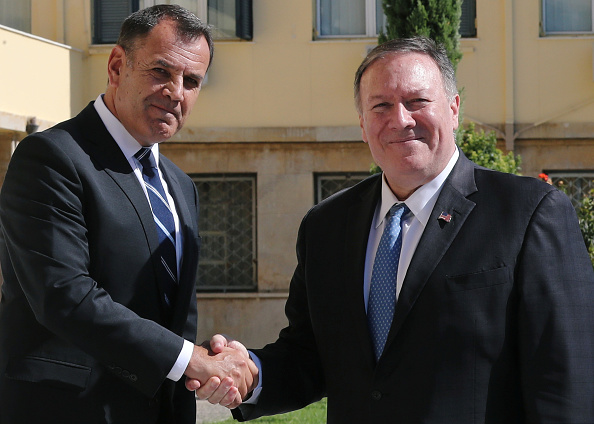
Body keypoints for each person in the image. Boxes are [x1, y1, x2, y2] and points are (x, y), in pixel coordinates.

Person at [197, 36, 594, 422]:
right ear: (362, 124)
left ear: (454, 109)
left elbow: (565, 380)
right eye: (381, 106)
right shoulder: (326, 226)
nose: (400, 120)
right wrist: (250, 373)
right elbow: (310, 355)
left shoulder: (528, 212)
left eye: (417, 101)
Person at [0, 5, 256, 424]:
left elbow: (171, 318)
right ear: (117, 66)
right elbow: (63, 295)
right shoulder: (50, 157)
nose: (176, 92)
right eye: (161, 72)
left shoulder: (180, 186)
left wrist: (209, 359)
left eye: (191, 81)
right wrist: (187, 358)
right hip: (66, 410)